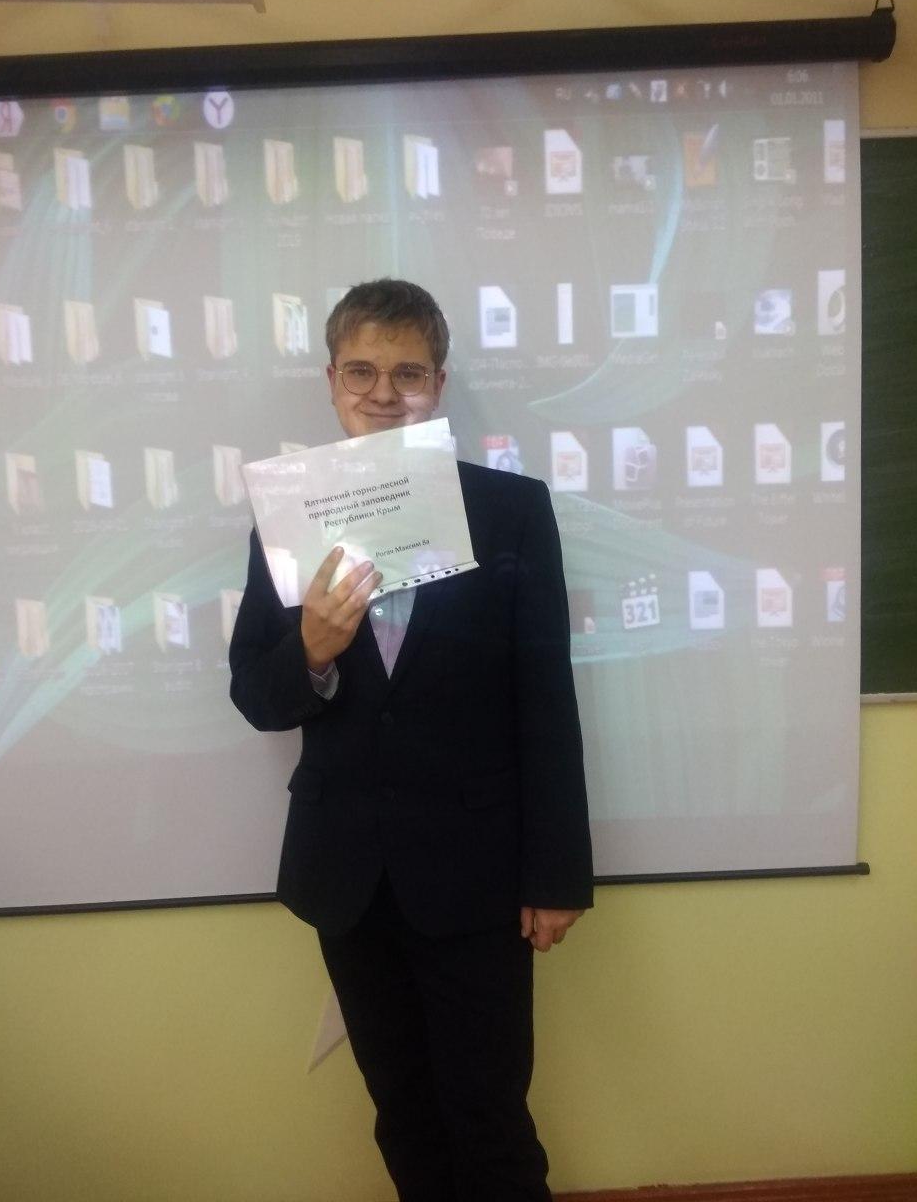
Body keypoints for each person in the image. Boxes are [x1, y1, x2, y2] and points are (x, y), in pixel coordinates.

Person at [229, 278, 594, 1202]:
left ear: (439, 383)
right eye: (362, 371)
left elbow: (545, 701)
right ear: (332, 382)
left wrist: (556, 876)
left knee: (490, 1117)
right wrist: (312, 650)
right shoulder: (287, 518)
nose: (384, 393)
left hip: (478, 876)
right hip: (347, 877)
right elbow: (256, 696)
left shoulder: (510, 511)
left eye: (408, 373)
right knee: (401, 1110)